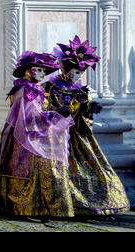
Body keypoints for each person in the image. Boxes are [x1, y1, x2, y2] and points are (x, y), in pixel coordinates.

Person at [43, 35, 130, 215]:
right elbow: (43, 112)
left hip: (77, 137)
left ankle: (87, 205)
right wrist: (59, 113)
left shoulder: (81, 89)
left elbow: (85, 120)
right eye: (76, 71)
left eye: (82, 73)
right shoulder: (50, 87)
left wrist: (86, 107)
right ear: (66, 68)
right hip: (55, 139)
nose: (79, 75)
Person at [0, 51, 76, 219]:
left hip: (29, 134)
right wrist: (55, 116)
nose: (41, 74)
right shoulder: (27, 89)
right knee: (31, 168)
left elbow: (38, 112)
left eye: (43, 71)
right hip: (26, 137)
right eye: (37, 70)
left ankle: (36, 208)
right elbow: (30, 117)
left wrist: (53, 112)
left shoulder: (31, 88)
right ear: (28, 70)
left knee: (39, 167)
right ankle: (26, 208)